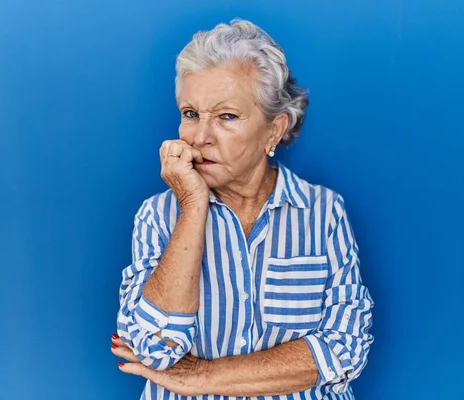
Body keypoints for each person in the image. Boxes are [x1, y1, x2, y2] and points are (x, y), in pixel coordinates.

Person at [110, 19, 374, 400]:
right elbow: (153, 349)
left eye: (226, 116)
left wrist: (198, 376)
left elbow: (345, 349)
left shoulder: (324, 212)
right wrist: (193, 204)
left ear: (274, 130)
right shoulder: (157, 216)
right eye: (190, 113)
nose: (200, 137)